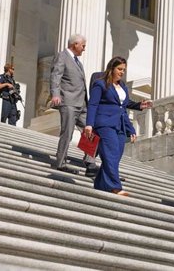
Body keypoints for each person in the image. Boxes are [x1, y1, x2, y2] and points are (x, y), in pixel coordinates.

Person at [84, 56, 152, 196]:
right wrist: (89, 124)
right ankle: (115, 186)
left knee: (116, 155)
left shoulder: (123, 87)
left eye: (124, 70)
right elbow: (93, 104)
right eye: (119, 69)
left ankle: (100, 183)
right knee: (111, 153)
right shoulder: (100, 84)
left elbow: (123, 107)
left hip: (119, 125)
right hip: (104, 124)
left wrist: (137, 113)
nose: (122, 72)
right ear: (112, 68)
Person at [50, 34, 97, 176]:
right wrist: (55, 94)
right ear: (75, 44)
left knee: (91, 133)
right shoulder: (62, 56)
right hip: (68, 102)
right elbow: (55, 76)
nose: (84, 49)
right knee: (67, 133)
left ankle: (90, 162)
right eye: (83, 46)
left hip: (82, 104)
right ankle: (60, 163)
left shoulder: (78, 62)